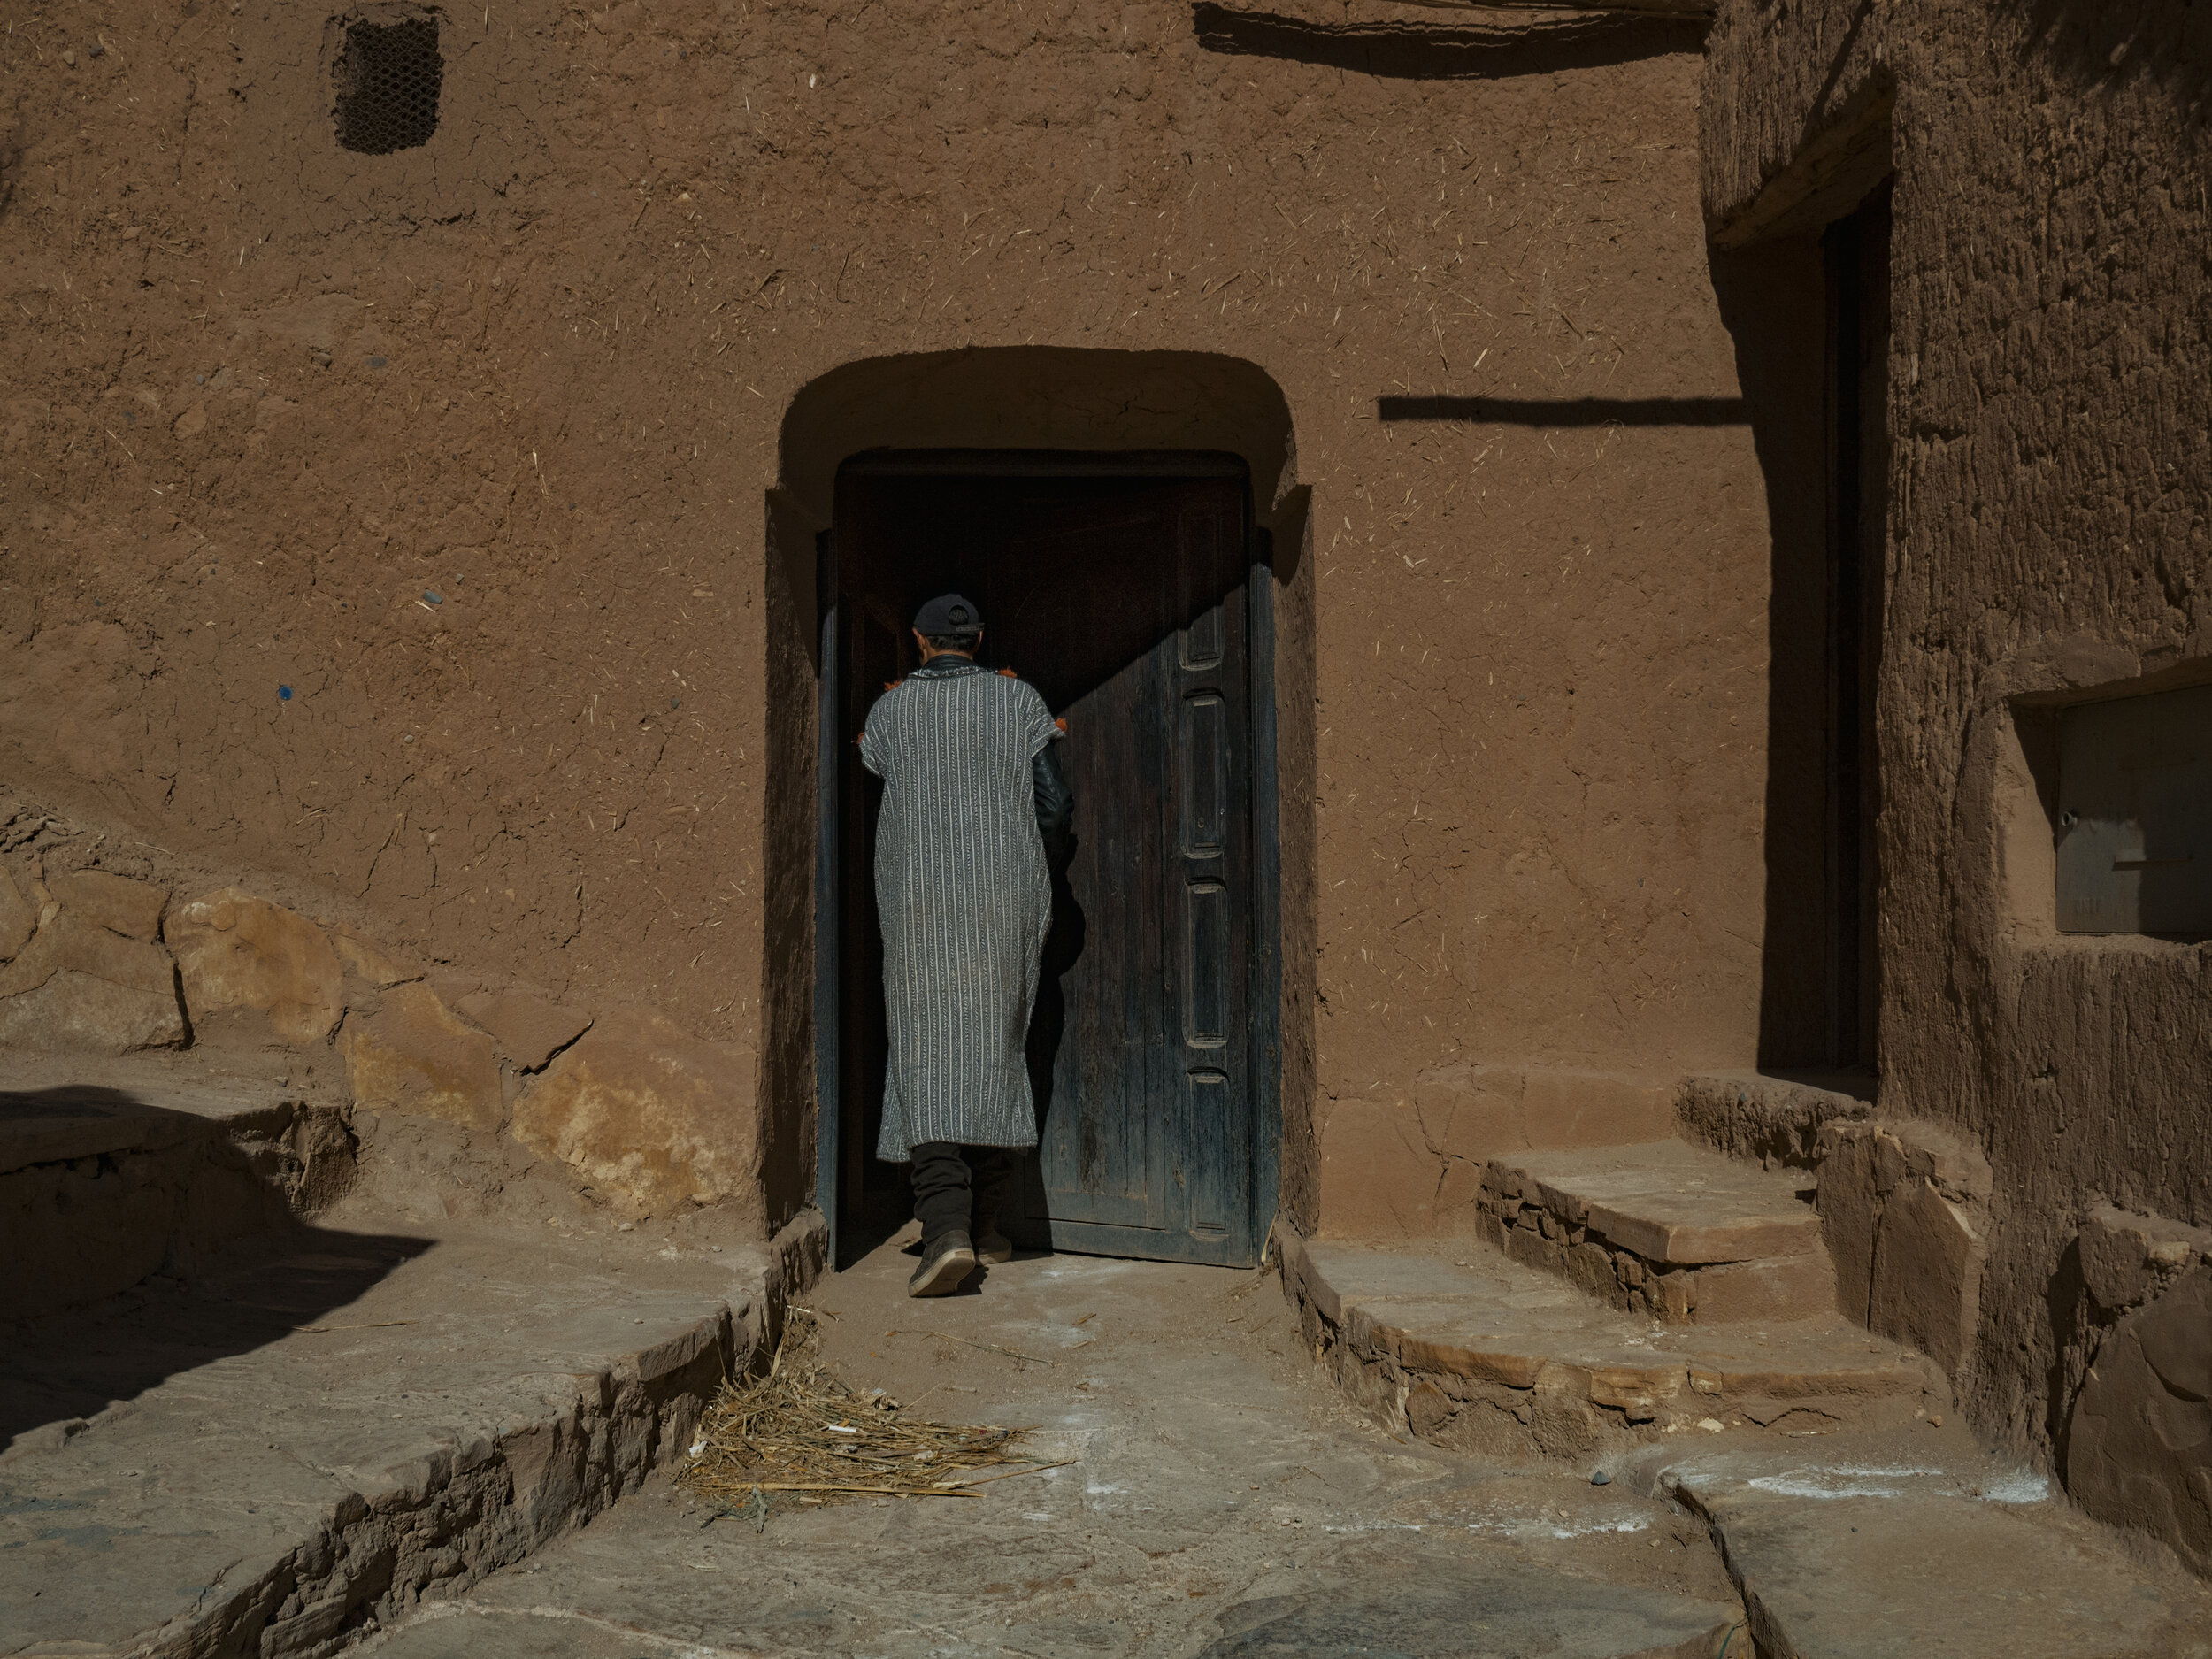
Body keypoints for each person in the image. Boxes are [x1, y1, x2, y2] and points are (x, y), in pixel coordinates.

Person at [859, 593, 1075, 1297]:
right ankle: (985, 1227)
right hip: (1004, 896)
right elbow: (1056, 805)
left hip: (919, 897)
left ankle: (946, 1229)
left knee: (925, 1051)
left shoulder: (888, 712)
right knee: (995, 1044)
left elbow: (874, 779)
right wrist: (1031, 861)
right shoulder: (1018, 702)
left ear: (920, 643)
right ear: (978, 638)